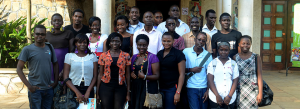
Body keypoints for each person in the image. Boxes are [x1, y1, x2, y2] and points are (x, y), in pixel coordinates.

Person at [17, 25, 58, 109]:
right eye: (37, 34)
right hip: (35, 90)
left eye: (42, 34)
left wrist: (56, 82)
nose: (40, 36)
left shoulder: (49, 47)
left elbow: (55, 63)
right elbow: (19, 69)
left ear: (45, 35)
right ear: (33, 34)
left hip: (48, 88)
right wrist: (29, 86)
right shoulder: (27, 49)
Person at [97, 32, 131, 109]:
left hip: (120, 87)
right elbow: (100, 74)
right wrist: (97, 92)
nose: (115, 43)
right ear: (109, 43)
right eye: (112, 41)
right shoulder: (103, 55)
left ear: (121, 42)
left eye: (117, 41)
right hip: (106, 86)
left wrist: (128, 92)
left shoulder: (126, 56)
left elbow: (128, 75)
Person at [63, 33, 98, 103]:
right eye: (79, 42)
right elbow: (65, 77)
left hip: (89, 88)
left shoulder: (93, 56)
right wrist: (77, 92)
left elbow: (95, 76)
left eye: (84, 42)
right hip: (72, 88)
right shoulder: (69, 56)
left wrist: (88, 91)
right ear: (75, 43)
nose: (82, 44)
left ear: (87, 44)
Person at [129, 34, 160, 109]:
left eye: (144, 45)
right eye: (139, 45)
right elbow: (131, 70)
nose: (142, 47)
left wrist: (144, 77)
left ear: (147, 45)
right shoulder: (134, 57)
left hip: (147, 88)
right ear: (136, 45)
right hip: (135, 88)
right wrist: (131, 74)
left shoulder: (152, 57)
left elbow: (157, 75)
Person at [183, 32, 212, 109]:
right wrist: (191, 69)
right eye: (199, 39)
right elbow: (180, 69)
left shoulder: (208, 55)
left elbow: (210, 74)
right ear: (195, 40)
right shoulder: (186, 52)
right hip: (191, 87)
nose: (201, 42)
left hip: (204, 87)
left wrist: (208, 90)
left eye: (203, 40)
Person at [157, 32, 185, 109]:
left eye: (169, 41)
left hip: (172, 88)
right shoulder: (159, 54)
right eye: (164, 41)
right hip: (160, 88)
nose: (166, 43)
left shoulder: (178, 54)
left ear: (173, 41)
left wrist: (178, 92)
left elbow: (182, 74)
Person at [233, 35, 263, 109]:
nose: (245, 45)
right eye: (243, 43)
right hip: (240, 90)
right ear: (239, 44)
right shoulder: (235, 57)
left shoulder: (256, 57)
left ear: (250, 44)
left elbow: (259, 75)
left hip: (253, 90)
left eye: (248, 43)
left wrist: (260, 93)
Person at [207, 42, 239, 109]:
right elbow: (210, 80)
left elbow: (235, 81)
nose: (223, 52)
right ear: (218, 50)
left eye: (226, 50)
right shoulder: (213, 63)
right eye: (221, 50)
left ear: (229, 50)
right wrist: (217, 96)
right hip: (214, 98)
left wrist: (229, 96)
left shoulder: (233, 64)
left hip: (230, 98)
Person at [46, 13, 74, 81]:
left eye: (59, 20)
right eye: (54, 20)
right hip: (50, 63)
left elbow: (72, 50)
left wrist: (66, 67)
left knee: (64, 82)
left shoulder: (68, 33)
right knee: (51, 82)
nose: (57, 22)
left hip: (64, 62)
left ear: (62, 22)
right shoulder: (47, 34)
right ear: (51, 22)